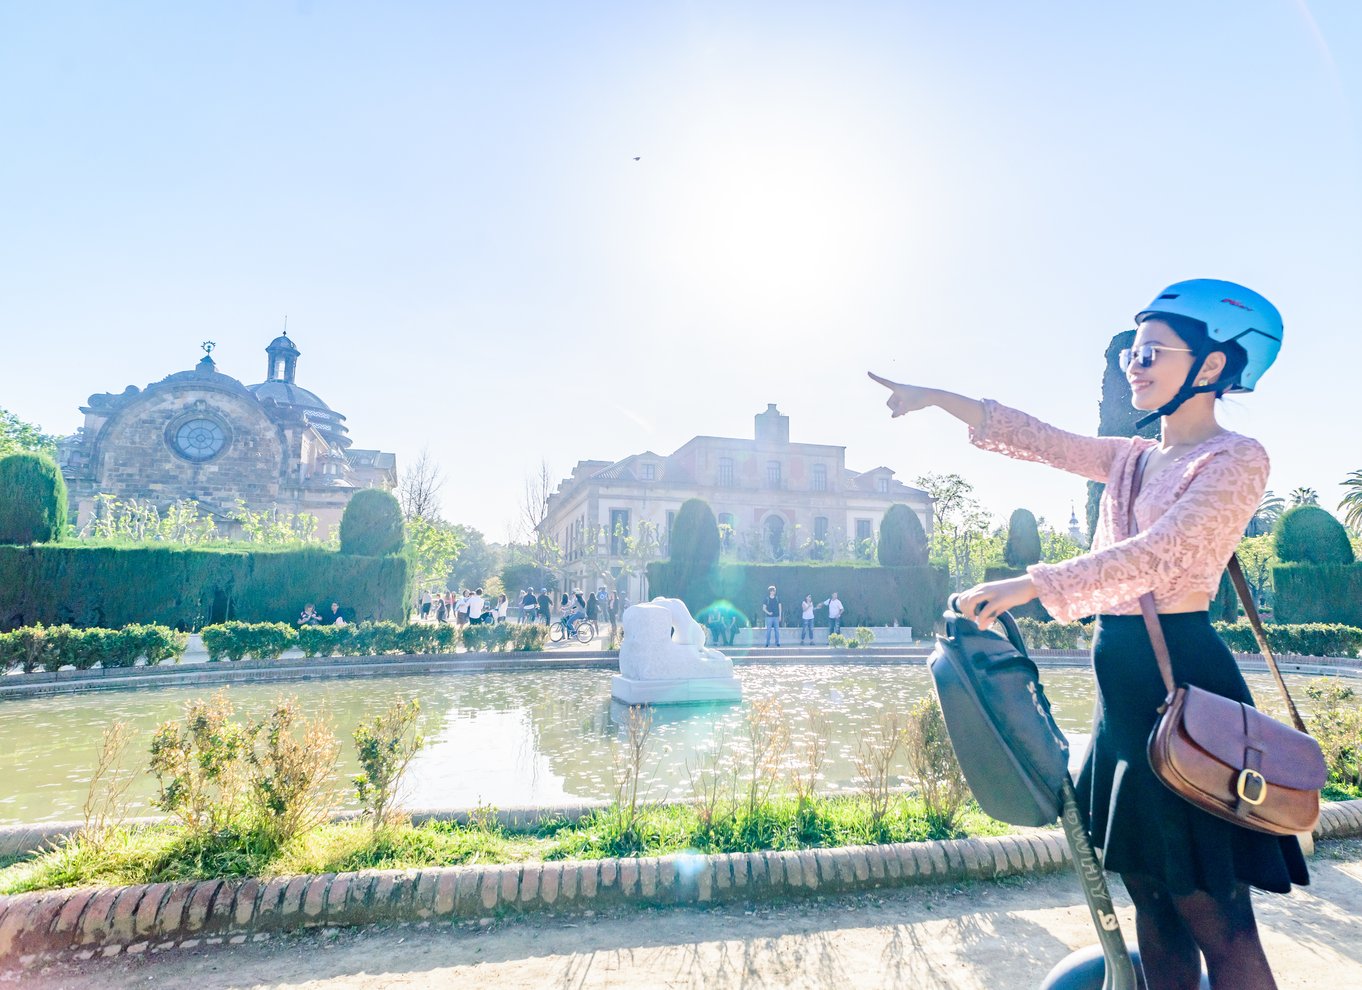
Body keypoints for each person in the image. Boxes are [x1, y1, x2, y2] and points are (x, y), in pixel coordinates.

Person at [870, 279, 1298, 989]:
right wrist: (940, 397)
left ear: (1215, 366)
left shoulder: (1235, 458)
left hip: (1182, 687)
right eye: (1133, 349)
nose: (1135, 362)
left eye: (1153, 350)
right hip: (1124, 694)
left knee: (1217, 920)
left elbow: (1162, 552)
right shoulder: (1132, 457)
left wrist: (1033, 583)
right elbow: (1041, 440)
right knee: (1152, 909)